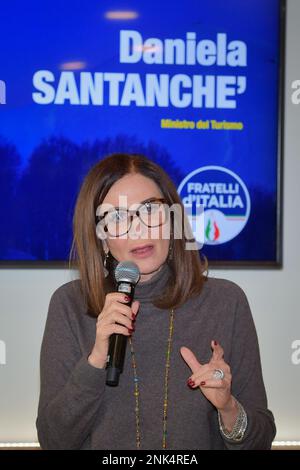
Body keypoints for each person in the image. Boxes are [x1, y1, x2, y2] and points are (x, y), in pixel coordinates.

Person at [36, 153, 276, 450]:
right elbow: (53, 441)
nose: (139, 228)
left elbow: (261, 439)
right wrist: (96, 360)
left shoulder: (226, 302)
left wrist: (228, 408)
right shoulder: (70, 306)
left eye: (150, 210)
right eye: (118, 217)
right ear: (101, 238)